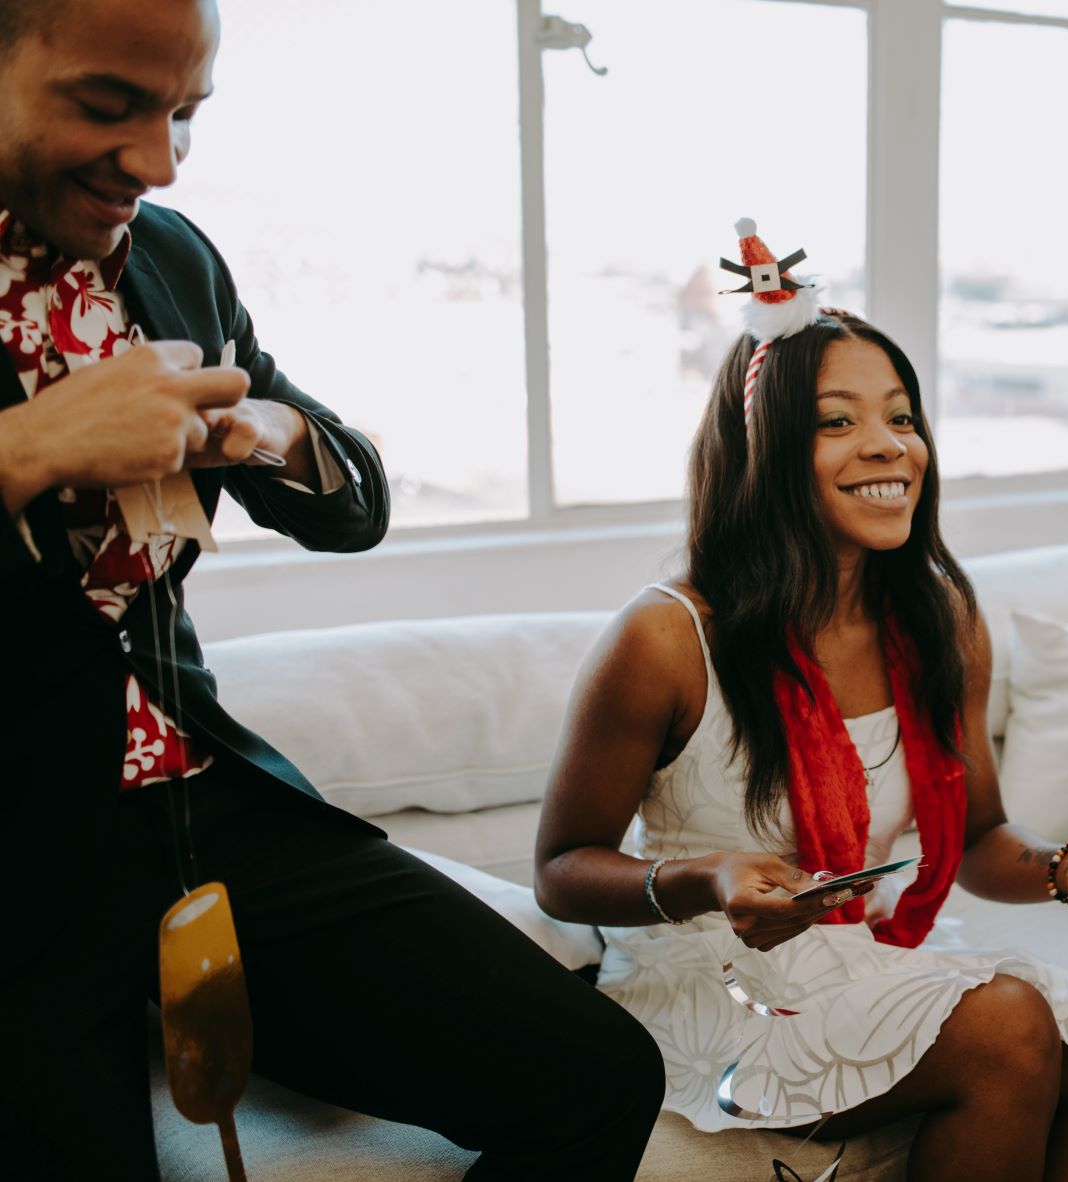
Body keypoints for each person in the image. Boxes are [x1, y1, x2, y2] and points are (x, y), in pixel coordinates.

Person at [0, 2, 662, 1177]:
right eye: (109, 107)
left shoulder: (173, 256)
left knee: (597, 1075)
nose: (156, 162)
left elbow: (352, 506)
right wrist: (33, 450)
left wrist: (263, 432)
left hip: (208, 811)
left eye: (184, 116)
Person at [535, 221, 1068, 1182]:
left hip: (863, 954)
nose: (888, 447)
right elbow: (559, 869)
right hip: (712, 979)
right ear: (766, 451)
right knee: (1008, 1029)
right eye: (837, 421)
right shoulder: (668, 637)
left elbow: (974, 838)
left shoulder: (943, 620)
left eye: (902, 417)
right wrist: (706, 877)